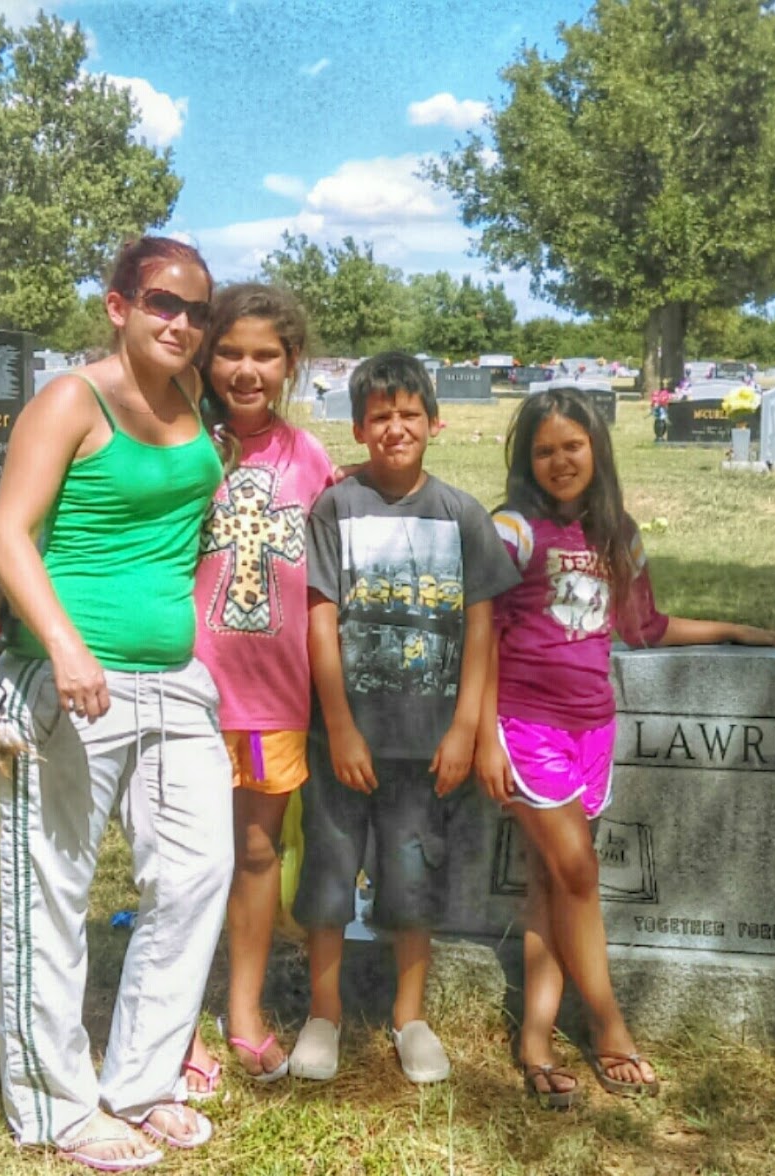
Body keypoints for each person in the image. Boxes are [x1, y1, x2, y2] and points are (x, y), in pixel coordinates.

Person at [0, 237, 227, 1169]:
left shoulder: (192, 398)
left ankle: (142, 1076)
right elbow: (11, 529)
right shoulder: (68, 401)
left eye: (197, 311)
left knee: (197, 873)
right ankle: (55, 1105)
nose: (184, 324)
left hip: (177, 683)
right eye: (165, 303)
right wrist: (61, 642)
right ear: (119, 305)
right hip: (74, 682)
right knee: (53, 890)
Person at [477, 387, 775, 1107]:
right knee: (581, 873)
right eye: (545, 449)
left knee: (553, 886)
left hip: (595, 727)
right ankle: (610, 1028)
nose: (560, 460)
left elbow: (643, 625)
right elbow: (479, 632)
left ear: (598, 451)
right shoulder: (512, 530)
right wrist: (483, 735)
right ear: (528, 458)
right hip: (528, 727)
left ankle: (535, 1039)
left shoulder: (618, 532)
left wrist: (730, 630)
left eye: (573, 447)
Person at [290, 351, 519, 1085]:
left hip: (428, 745)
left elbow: (482, 629)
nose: (395, 428)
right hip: (342, 741)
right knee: (330, 874)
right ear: (357, 426)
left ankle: (409, 1016)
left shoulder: (461, 515)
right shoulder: (335, 509)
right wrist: (342, 724)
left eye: (408, 415)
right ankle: (322, 1013)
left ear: (434, 422)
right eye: (379, 416)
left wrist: (467, 729)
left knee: (412, 881)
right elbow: (321, 620)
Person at [178, 284, 340, 1095]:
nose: (247, 370)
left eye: (265, 355)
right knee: (184, 861)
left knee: (254, 853)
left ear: (290, 365)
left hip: (273, 697)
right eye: (231, 352)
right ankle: (171, 1025)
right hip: (185, 689)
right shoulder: (180, 443)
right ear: (206, 357)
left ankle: (241, 1013)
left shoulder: (309, 460)